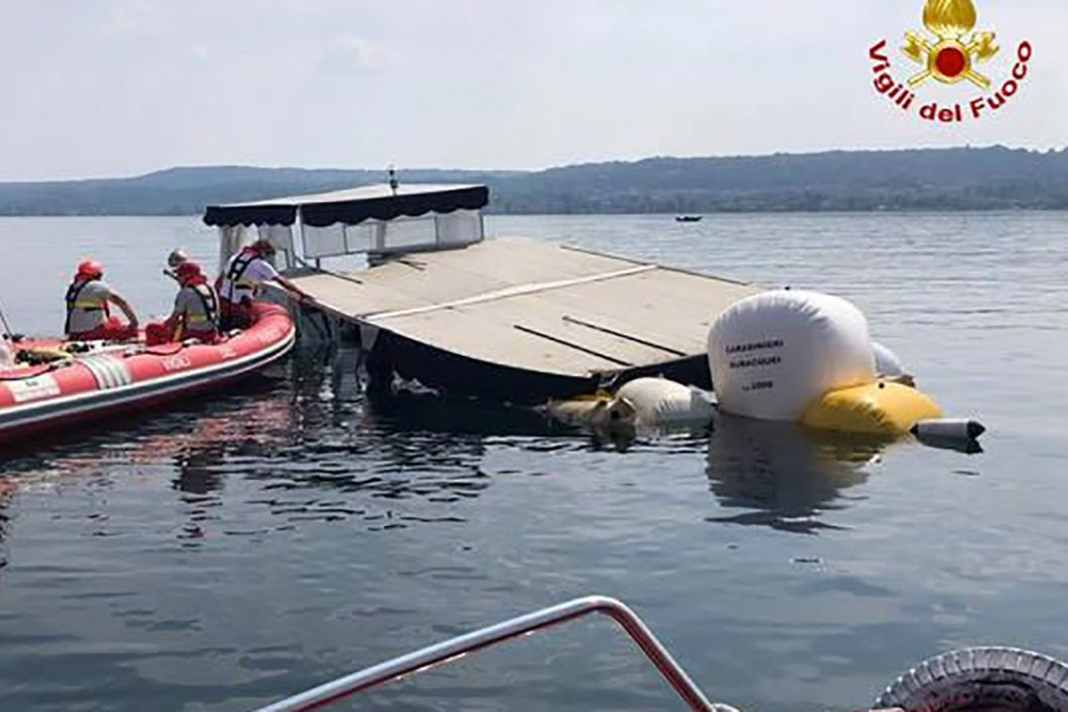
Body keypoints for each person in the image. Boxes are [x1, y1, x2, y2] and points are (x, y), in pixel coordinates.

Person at [217, 239, 312, 329]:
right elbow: (281, 281)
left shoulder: (234, 257)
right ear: (263, 252)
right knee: (244, 326)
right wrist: (301, 293)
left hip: (224, 301)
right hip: (240, 305)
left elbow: (220, 280)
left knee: (224, 325)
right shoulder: (261, 265)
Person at [146, 261, 220, 345]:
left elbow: (173, 320)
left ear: (187, 276)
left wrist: (164, 324)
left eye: (180, 275)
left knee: (151, 328)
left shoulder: (186, 293)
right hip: (212, 332)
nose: (178, 278)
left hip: (194, 334)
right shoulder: (210, 288)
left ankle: (157, 352)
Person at [64, 260, 139, 341]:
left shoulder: (73, 287)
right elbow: (122, 302)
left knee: (113, 320)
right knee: (129, 331)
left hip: (74, 334)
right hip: (92, 333)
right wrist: (134, 323)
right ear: (97, 274)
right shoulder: (97, 286)